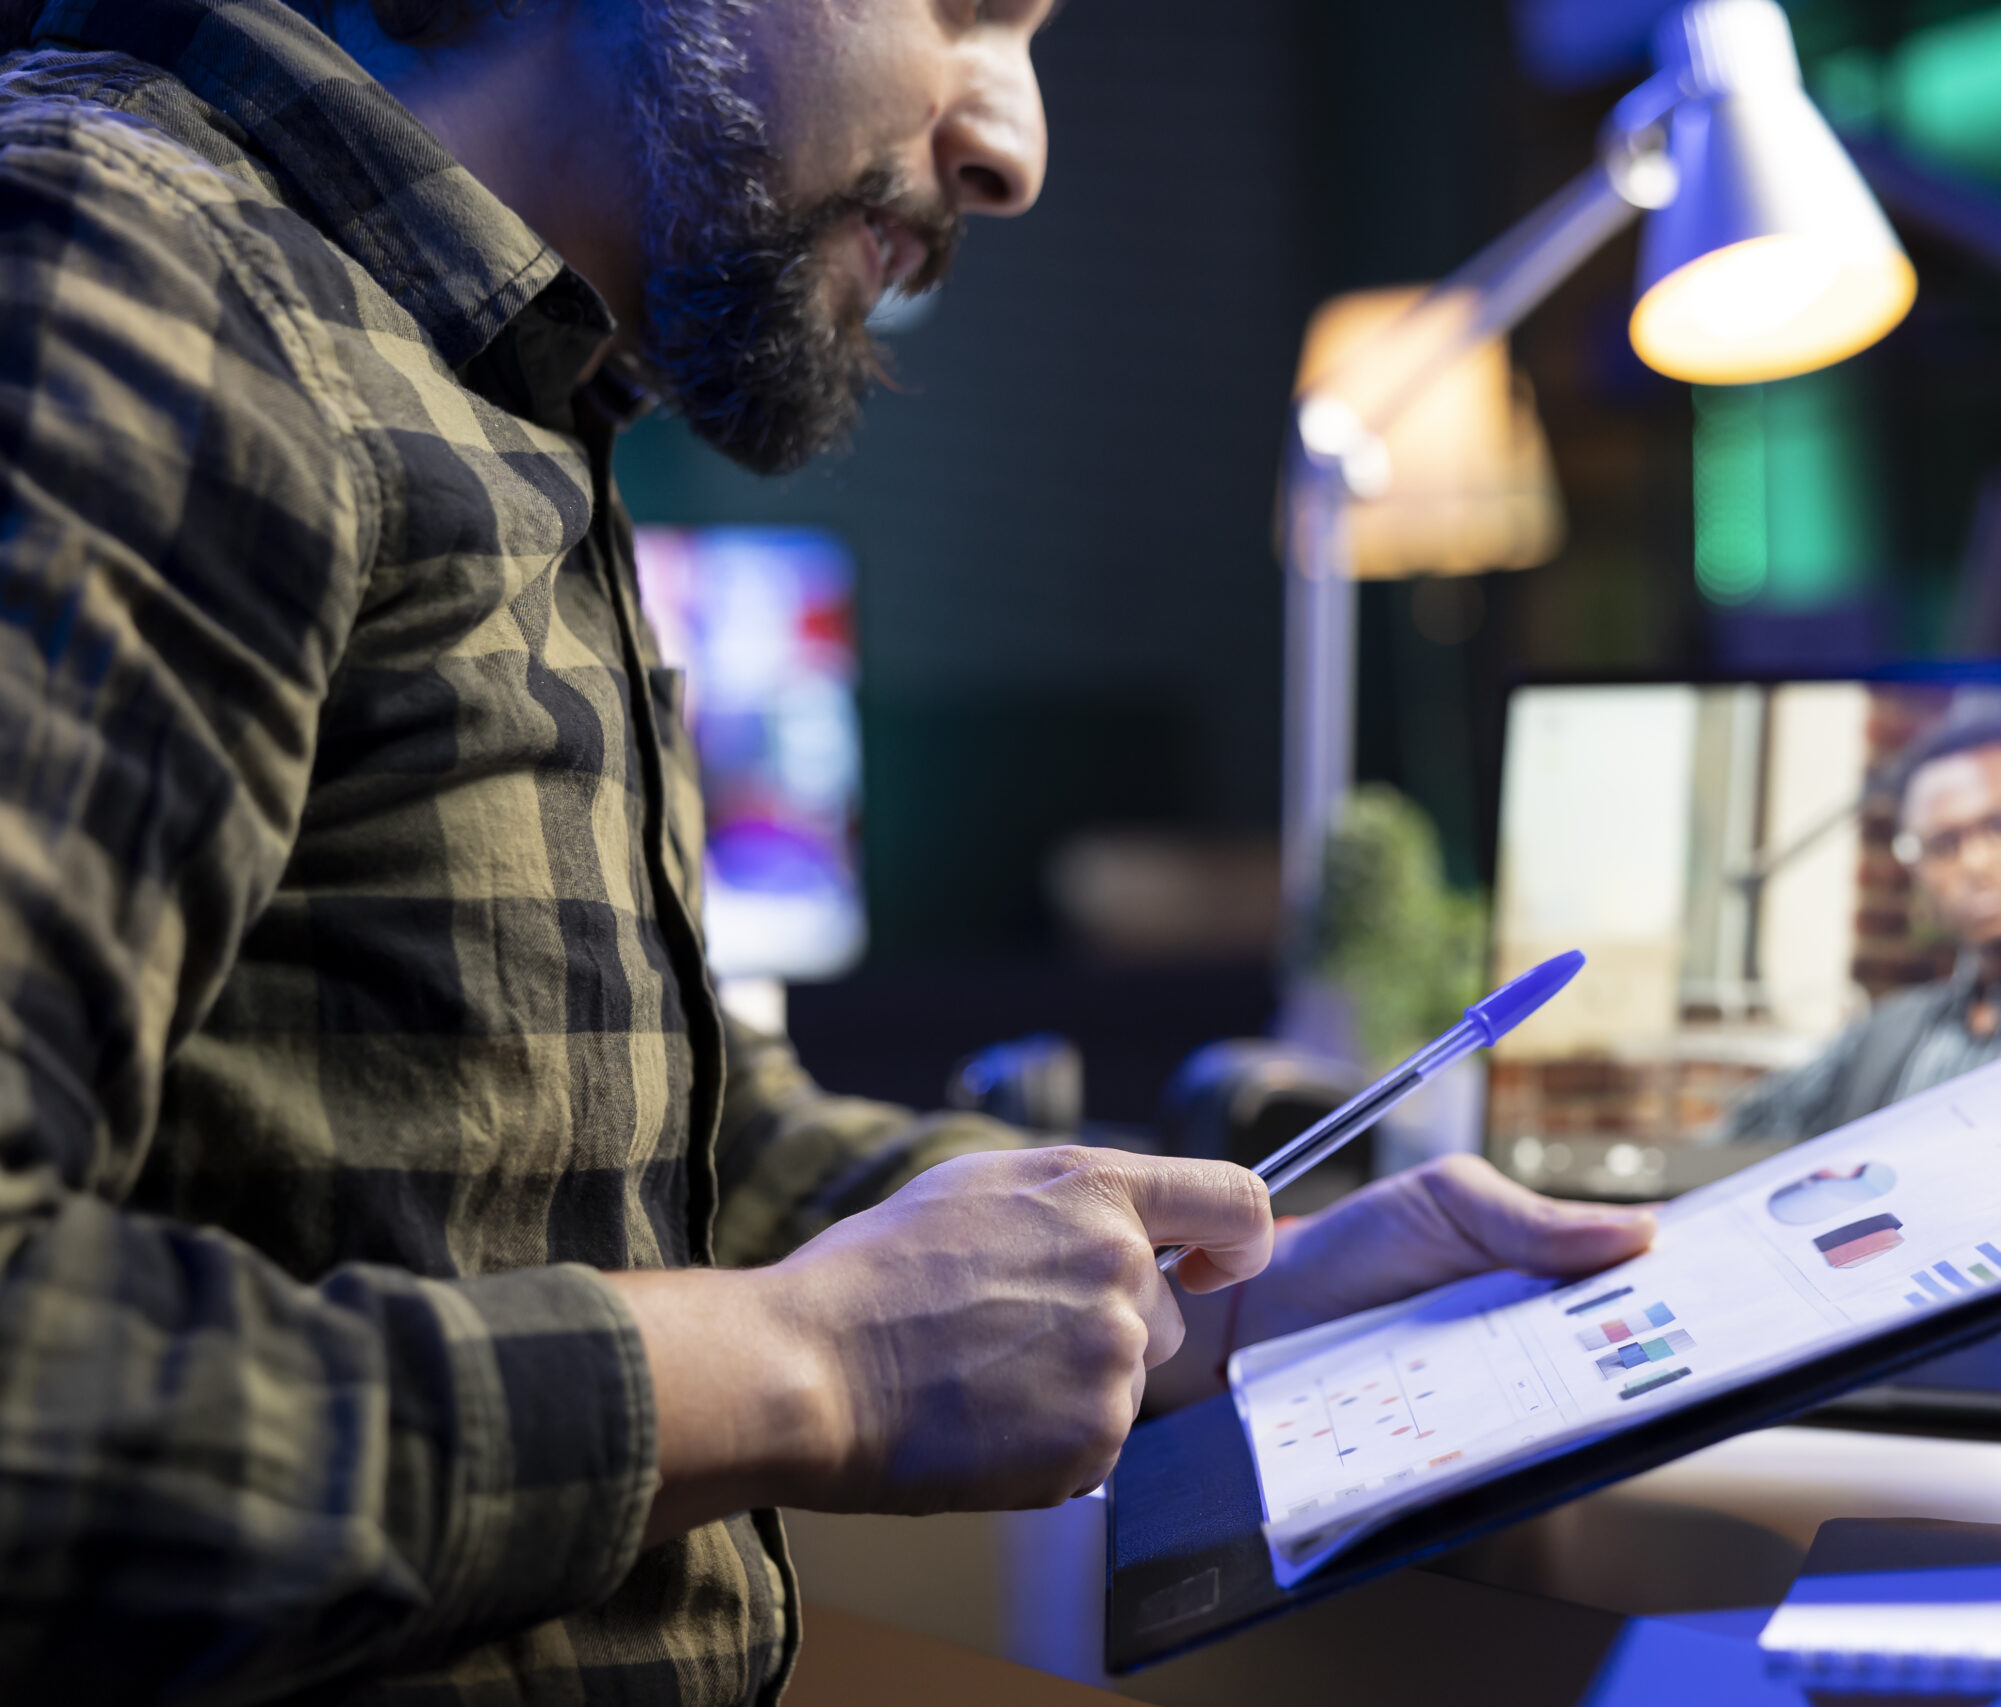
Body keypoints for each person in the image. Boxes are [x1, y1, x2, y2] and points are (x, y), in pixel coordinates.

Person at [0, 0, 1660, 1698]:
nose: (1015, 150)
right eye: (967, 10)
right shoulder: (128, 283)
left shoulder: (480, 383)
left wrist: (1188, 1292)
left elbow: (601, 1149)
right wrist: (811, 1363)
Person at [1717, 723, 2001, 1144]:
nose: (1975, 862)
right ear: (1917, 874)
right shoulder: (1883, 1033)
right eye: (1943, 844)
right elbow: (1729, 1144)